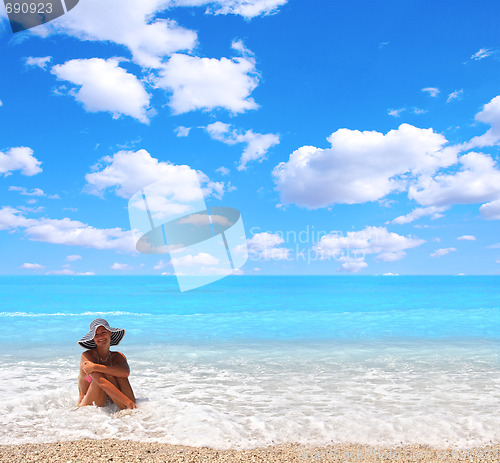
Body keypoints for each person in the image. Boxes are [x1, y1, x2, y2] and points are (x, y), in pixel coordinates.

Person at [77, 318, 137, 410]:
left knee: (118, 373)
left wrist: (95, 367)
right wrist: (128, 403)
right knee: (108, 374)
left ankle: (126, 408)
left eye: (103, 332)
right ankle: (127, 407)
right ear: (92, 338)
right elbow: (102, 382)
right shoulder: (87, 356)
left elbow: (125, 373)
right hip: (90, 405)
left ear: (110, 333)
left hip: (111, 400)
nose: (100, 337)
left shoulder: (118, 356)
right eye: (96, 334)